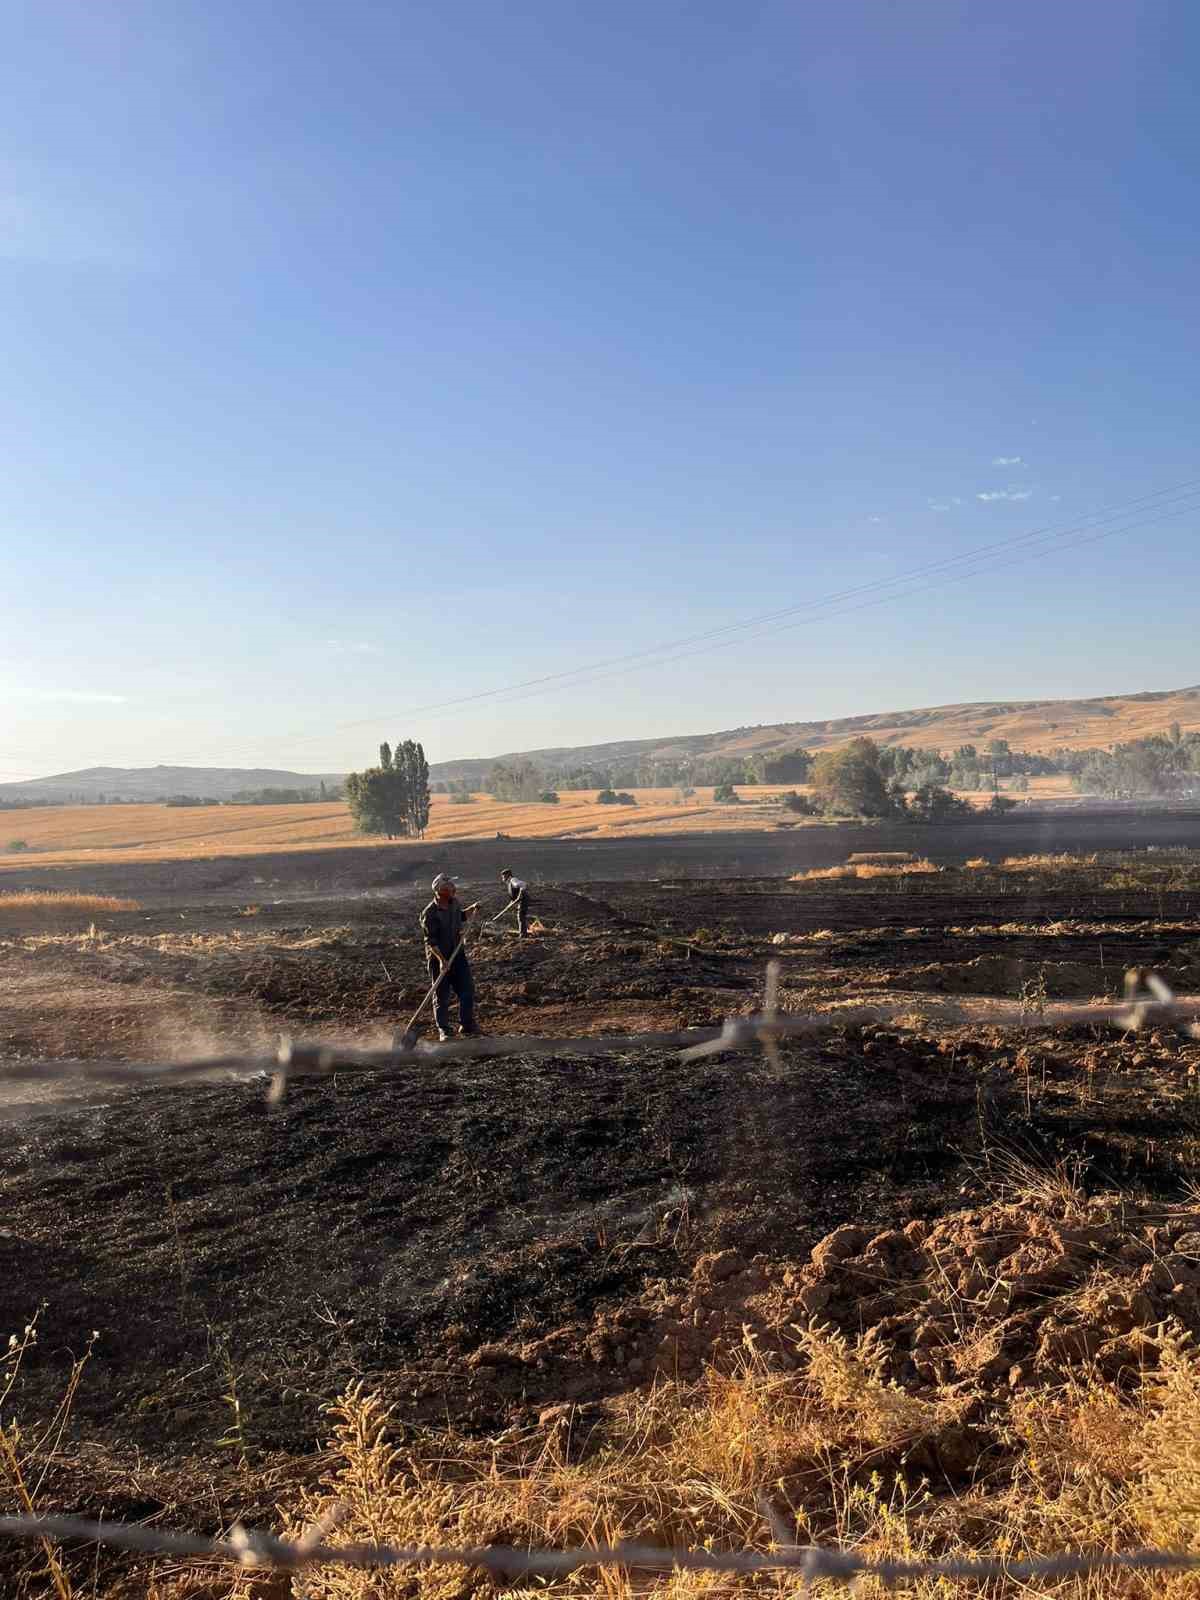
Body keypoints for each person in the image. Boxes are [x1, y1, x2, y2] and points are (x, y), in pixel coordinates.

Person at [419, 873, 480, 1040]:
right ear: (440, 891)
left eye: (453, 887)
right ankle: (444, 1029)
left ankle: (467, 1025)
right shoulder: (430, 913)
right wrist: (441, 961)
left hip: (457, 954)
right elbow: (430, 941)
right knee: (441, 994)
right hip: (438, 957)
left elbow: (460, 916)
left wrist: (471, 910)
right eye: (450, 887)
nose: (454, 889)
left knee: (467, 990)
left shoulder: (454, 904)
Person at [499, 867, 530, 936]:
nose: (502, 878)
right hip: (521, 901)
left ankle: (523, 935)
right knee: (521, 916)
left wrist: (520, 895)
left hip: (523, 900)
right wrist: (509, 905)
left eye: (503, 876)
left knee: (520, 916)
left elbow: (523, 884)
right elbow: (513, 898)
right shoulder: (510, 883)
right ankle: (524, 932)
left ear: (507, 875)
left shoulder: (513, 880)